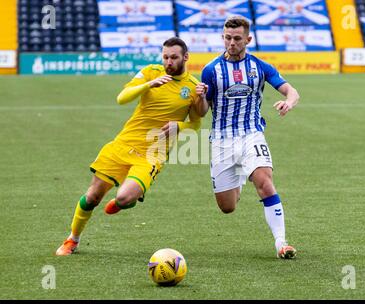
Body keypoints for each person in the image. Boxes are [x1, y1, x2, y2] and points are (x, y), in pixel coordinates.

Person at [56, 37, 204, 256]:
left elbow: (196, 124)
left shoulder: (193, 87)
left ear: (185, 57)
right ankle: (72, 239)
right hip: (124, 143)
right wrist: (148, 85)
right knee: (92, 197)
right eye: (165, 57)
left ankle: (127, 201)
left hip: (153, 154)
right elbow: (122, 98)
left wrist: (179, 126)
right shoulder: (150, 72)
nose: (169, 62)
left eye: (174, 57)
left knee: (124, 198)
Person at [195, 16, 300, 259]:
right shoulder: (211, 70)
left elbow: (291, 90)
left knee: (264, 181)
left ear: (248, 39)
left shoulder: (259, 67)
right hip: (221, 141)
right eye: (227, 38)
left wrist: (289, 102)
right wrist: (199, 97)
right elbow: (202, 112)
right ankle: (241, 174)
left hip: (252, 134)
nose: (231, 43)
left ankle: (281, 243)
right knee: (227, 207)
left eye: (237, 39)